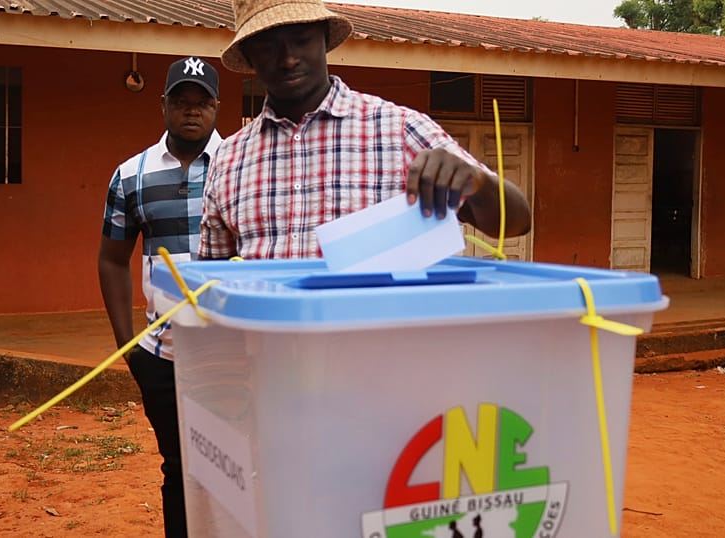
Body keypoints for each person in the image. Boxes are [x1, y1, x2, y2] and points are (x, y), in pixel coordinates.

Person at [200, 0, 531, 261]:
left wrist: (479, 181)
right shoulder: (229, 159)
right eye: (269, 47)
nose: (288, 59)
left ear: (325, 40)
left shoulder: (401, 130)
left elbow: (517, 221)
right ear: (248, 56)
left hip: (380, 345)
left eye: (302, 41)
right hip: (267, 346)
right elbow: (212, 282)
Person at [98, 56, 221, 538]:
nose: (192, 112)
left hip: (231, 353)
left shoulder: (240, 167)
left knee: (234, 466)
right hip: (163, 355)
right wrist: (128, 345)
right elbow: (112, 258)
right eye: (181, 102)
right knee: (178, 469)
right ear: (163, 105)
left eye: (202, 103)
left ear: (216, 108)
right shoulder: (131, 175)